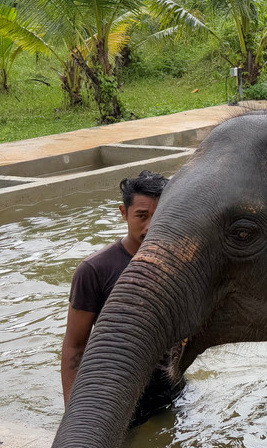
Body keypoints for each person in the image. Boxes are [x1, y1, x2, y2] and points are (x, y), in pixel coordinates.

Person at [61, 169, 183, 424]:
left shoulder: (180, 262)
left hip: (173, 388)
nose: (150, 225)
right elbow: (75, 344)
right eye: (141, 216)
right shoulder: (95, 270)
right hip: (116, 393)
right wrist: (73, 415)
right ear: (123, 213)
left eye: (159, 215)